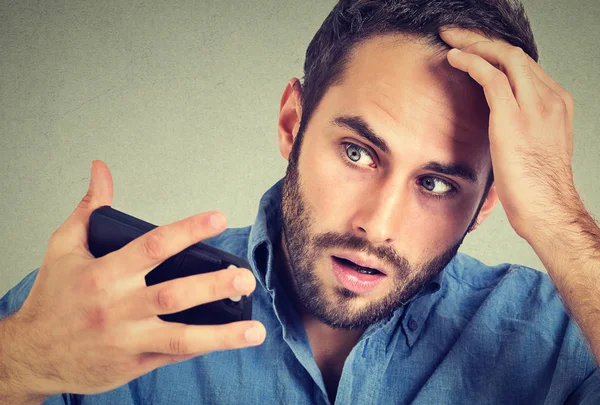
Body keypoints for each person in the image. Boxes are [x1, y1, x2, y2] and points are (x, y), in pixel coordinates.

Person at [1, 0, 599, 403]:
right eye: (358, 152)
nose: (378, 226)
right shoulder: (95, 305)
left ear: (489, 200)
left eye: (437, 184)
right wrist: (23, 360)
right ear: (293, 123)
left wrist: (558, 217)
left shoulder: (559, 336)